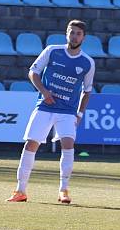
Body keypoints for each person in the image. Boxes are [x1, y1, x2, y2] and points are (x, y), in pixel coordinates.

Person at [6, 20, 95, 205]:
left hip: (68, 111)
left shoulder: (87, 62)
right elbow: (33, 72)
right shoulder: (52, 51)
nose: (74, 36)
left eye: (78, 33)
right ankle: (20, 190)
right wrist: (44, 92)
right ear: (66, 34)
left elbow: (87, 91)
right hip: (45, 106)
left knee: (68, 144)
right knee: (31, 145)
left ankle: (63, 190)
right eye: (72, 32)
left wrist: (79, 114)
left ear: (83, 37)